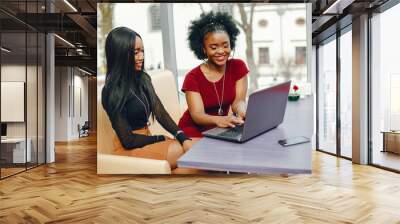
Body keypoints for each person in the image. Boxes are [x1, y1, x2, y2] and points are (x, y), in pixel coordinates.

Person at [102, 27, 195, 171]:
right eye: (135, 53)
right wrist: (160, 138)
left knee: (191, 147)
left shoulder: (143, 79)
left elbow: (161, 113)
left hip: (148, 140)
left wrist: (182, 136)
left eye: (142, 51)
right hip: (129, 150)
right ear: (120, 55)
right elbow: (127, 140)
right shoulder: (111, 91)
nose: (141, 57)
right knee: (188, 153)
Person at [178, 12, 249, 138]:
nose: (221, 51)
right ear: (204, 49)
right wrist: (221, 120)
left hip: (221, 128)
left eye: (225, 45)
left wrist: (243, 111)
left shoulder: (238, 67)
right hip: (193, 130)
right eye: (214, 47)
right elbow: (198, 116)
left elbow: (238, 101)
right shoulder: (192, 77)